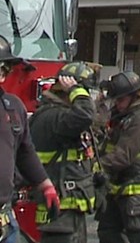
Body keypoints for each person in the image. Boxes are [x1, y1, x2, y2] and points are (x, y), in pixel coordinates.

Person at [29, 61, 100, 243]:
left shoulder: (57, 115)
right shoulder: (54, 117)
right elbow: (85, 114)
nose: (87, 98)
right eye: (84, 92)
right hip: (61, 211)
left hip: (68, 209)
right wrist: (77, 91)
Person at [0, 37, 59, 243]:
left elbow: (26, 152)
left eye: (3, 69)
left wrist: (46, 186)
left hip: (4, 220)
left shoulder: (13, 107)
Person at [96, 71, 140, 243]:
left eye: (121, 100)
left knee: (139, 236)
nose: (117, 104)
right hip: (116, 188)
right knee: (108, 234)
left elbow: (123, 156)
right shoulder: (122, 117)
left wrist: (94, 167)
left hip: (135, 191)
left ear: (134, 97)